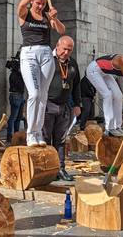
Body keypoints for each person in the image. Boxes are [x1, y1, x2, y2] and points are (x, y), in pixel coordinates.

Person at [17, 0, 66, 146]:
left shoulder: (46, 17)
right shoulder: (25, 14)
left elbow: (61, 30)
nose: (40, 6)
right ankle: (30, 133)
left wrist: (54, 18)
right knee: (35, 94)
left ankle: (38, 133)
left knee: (43, 96)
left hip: (46, 53)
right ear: (33, 1)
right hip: (29, 53)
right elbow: (21, 4)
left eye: (43, 3)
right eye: (38, 3)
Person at [42, 36, 81, 181]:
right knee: (45, 138)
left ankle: (61, 169)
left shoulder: (73, 63)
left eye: (69, 50)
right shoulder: (48, 60)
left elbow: (76, 85)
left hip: (64, 106)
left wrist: (77, 104)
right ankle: (47, 170)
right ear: (57, 46)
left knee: (61, 139)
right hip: (47, 104)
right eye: (64, 49)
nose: (66, 52)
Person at [6, 51, 26, 142]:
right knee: (13, 117)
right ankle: (9, 136)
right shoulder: (14, 75)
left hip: (20, 96)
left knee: (18, 117)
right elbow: (18, 85)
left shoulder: (18, 74)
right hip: (16, 95)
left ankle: (16, 135)